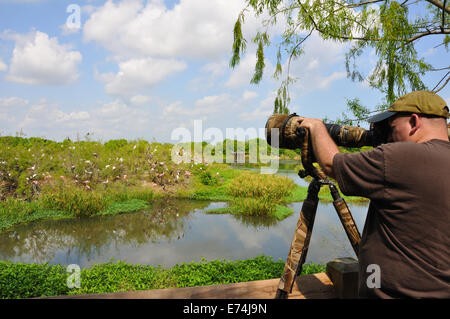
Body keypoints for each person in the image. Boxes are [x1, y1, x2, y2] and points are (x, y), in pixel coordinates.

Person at [297, 90, 450, 298]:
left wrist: (317, 127)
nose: (387, 137)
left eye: (392, 128)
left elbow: (331, 164)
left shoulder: (402, 157)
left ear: (414, 122)